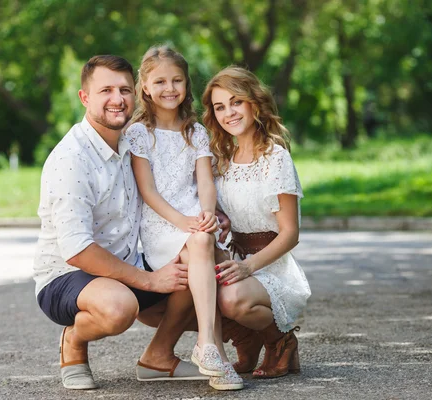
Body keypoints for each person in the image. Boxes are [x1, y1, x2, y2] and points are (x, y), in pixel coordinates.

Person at [33, 55, 209, 390]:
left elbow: (177, 186)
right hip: (67, 276)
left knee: (193, 262)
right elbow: (77, 250)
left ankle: (158, 356)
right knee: (118, 308)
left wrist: (213, 217)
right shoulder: (72, 159)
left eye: (125, 89)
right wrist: (149, 281)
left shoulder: (134, 141)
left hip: (124, 266)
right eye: (106, 91)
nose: (118, 99)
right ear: (85, 98)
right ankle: (73, 342)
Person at [124, 46, 243, 391]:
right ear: (144, 86)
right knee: (203, 243)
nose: (169, 88)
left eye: (177, 80)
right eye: (160, 81)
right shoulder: (138, 133)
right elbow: (148, 191)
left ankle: (211, 350)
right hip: (161, 224)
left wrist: (206, 213)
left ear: (186, 83)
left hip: (194, 218)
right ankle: (213, 347)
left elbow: (205, 181)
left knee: (203, 241)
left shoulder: (196, 132)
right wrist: (184, 222)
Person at [201, 66, 312, 378]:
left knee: (232, 299)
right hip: (236, 258)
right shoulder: (220, 159)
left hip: (273, 267)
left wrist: (249, 267)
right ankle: (245, 343)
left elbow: (290, 233)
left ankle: (282, 342)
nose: (229, 113)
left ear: (254, 103)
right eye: (219, 107)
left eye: (236, 102)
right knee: (196, 292)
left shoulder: (275, 158)